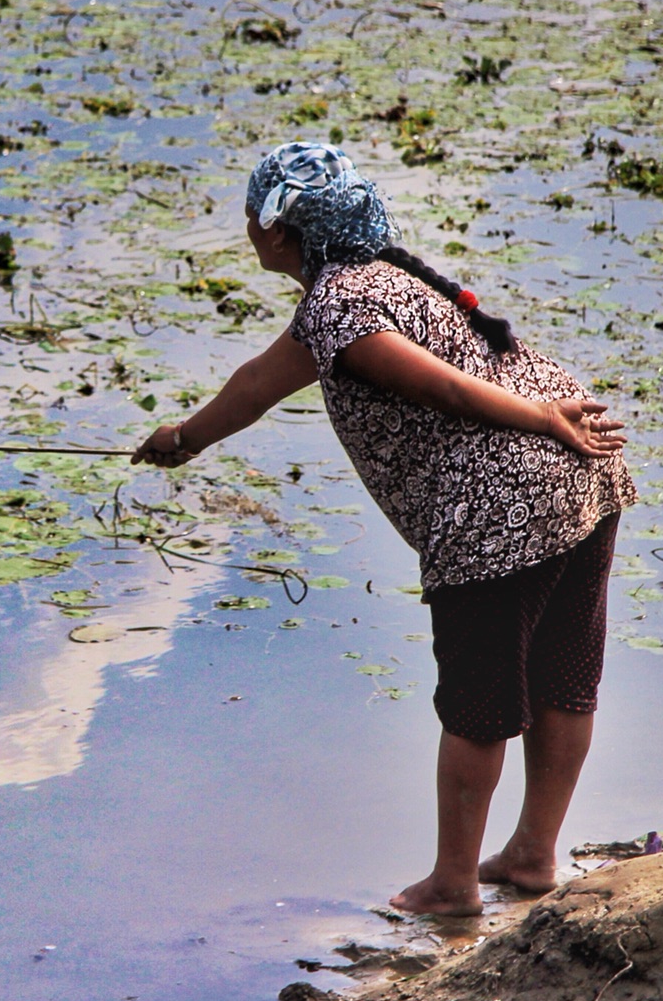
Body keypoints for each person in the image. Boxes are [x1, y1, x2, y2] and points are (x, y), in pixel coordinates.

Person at [131, 142, 636, 917]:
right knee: (563, 674)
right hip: (579, 473)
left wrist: (539, 418)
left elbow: (445, 391)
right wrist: (186, 438)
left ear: (276, 234)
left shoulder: (341, 306)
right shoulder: (375, 279)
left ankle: (452, 884)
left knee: (480, 701)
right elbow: (259, 384)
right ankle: (534, 856)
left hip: (503, 496)